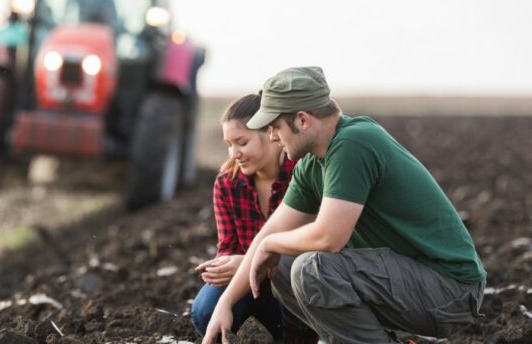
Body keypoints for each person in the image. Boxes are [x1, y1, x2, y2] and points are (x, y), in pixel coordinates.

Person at [202, 66, 487, 344]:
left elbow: (329, 237)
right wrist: (225, 303)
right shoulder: (312, 163)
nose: (273, 137)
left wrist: (270, 244)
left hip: (450, 290)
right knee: (284, 266)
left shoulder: (354, 143)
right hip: (408, 281)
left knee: (312, 268)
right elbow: (271, 231)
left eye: (276, 127)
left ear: (302, 120)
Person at [191, 93, 318, 342]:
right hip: (250, 286)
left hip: (298, 285)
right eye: (229, 144)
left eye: (241, 142)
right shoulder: (227, 182)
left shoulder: (303, 174)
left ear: (271, 134)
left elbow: (314, 248)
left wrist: (249, 263)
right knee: (205, 310)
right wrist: (224, 266)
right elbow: (228, 247)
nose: (234, 153)